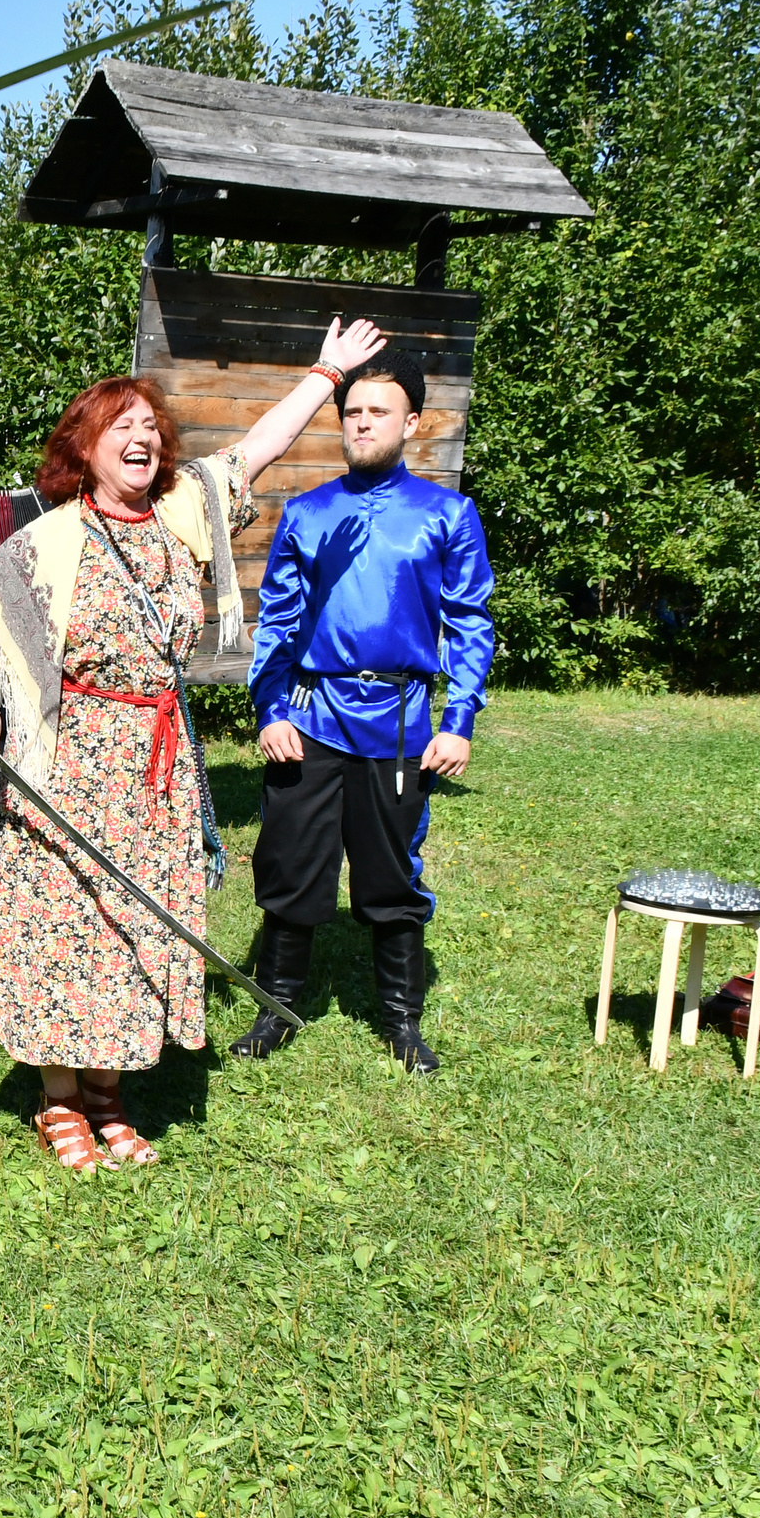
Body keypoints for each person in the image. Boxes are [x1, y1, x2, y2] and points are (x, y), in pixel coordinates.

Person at [0, 317, 386, 1173]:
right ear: (87, 448)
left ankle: (111, 1094)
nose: (141, 439)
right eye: (121, 429)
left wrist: (325, 374)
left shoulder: (181, 512)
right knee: (70, 925)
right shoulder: (49, 539)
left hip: (157, 764)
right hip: (69, 761)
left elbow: (253, 451)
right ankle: (58, 1099)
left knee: (143, 922)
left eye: (151, 428)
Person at [234, 346, 494, 1074]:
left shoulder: (447, 514)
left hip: (402, 720)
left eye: (378, 411)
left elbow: (471, 620)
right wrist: (270, 708)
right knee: (290, 862)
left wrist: (460, 719)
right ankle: (277, 1005)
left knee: (390, 874)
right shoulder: (309, 512)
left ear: (412, 421)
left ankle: (401, 1020)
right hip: (312, 716)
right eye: (351, 413)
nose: (362, 424)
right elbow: (278, 620)